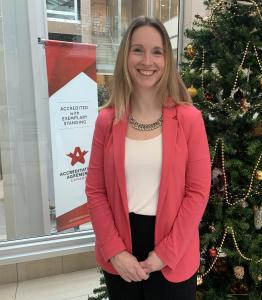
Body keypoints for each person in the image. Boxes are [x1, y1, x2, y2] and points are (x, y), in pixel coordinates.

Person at [85, 16, 211, 300]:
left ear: (167, 60)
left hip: (174, 250)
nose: (147, 60)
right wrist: (115, 251)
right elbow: (95, 191)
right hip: (121, 249)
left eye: (157, 51)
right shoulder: (107, 120)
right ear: (125, 56)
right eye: (138, 49)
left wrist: (166, 252)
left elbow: (198, 191)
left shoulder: (189, 119)